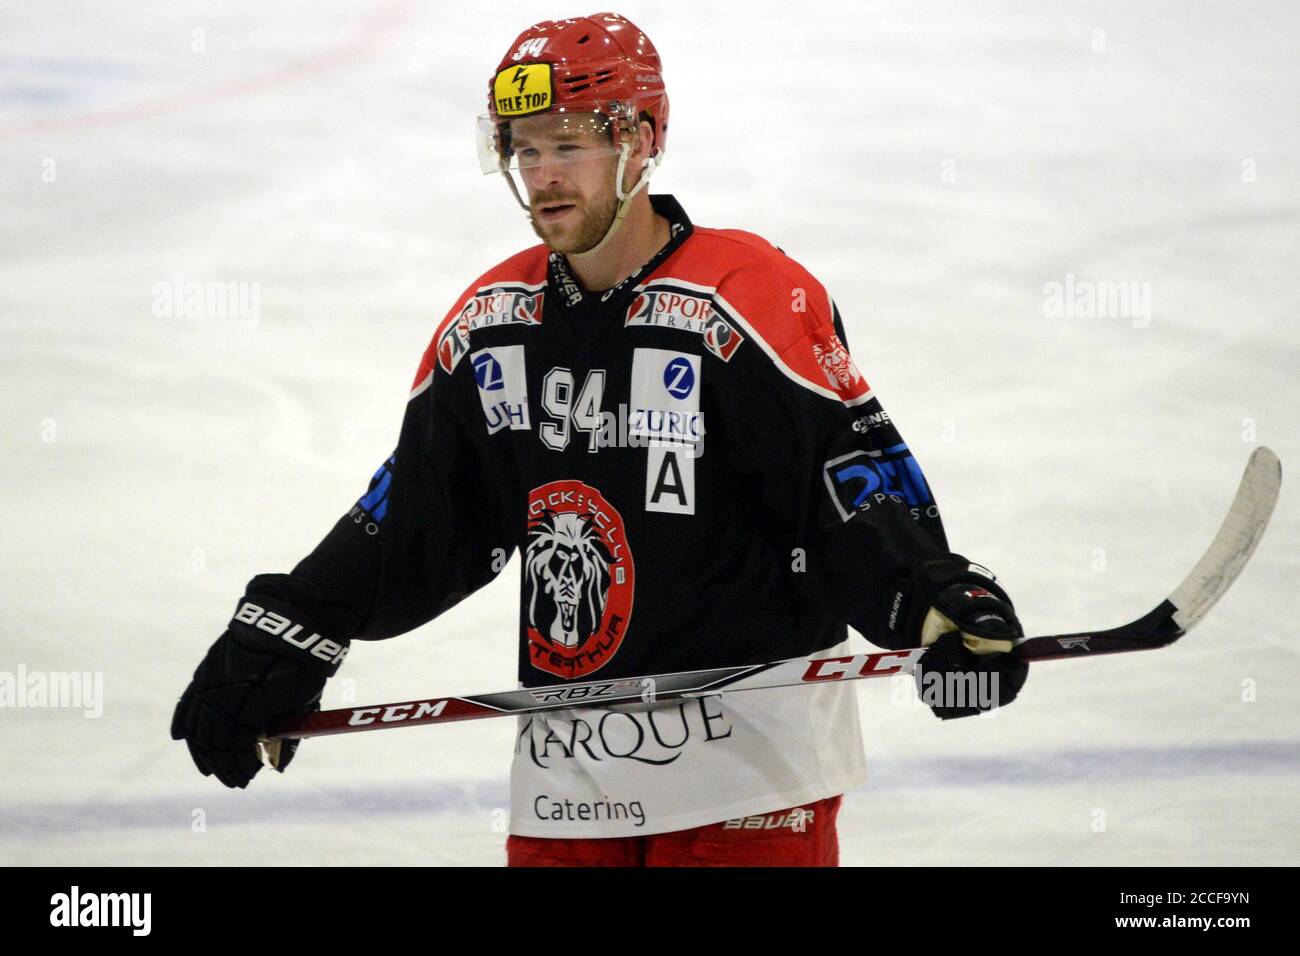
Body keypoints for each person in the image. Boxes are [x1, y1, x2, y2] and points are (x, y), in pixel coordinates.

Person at [171, 12, 1029, 868]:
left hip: (750, 776)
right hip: (567, 780)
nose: (542, 177)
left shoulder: (744, 296)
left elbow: (841, 477)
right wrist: (297, 621)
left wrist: (928, 599)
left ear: (642, 140)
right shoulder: (492, 325)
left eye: (568, 145)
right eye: (524, 149)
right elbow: (421, 517)